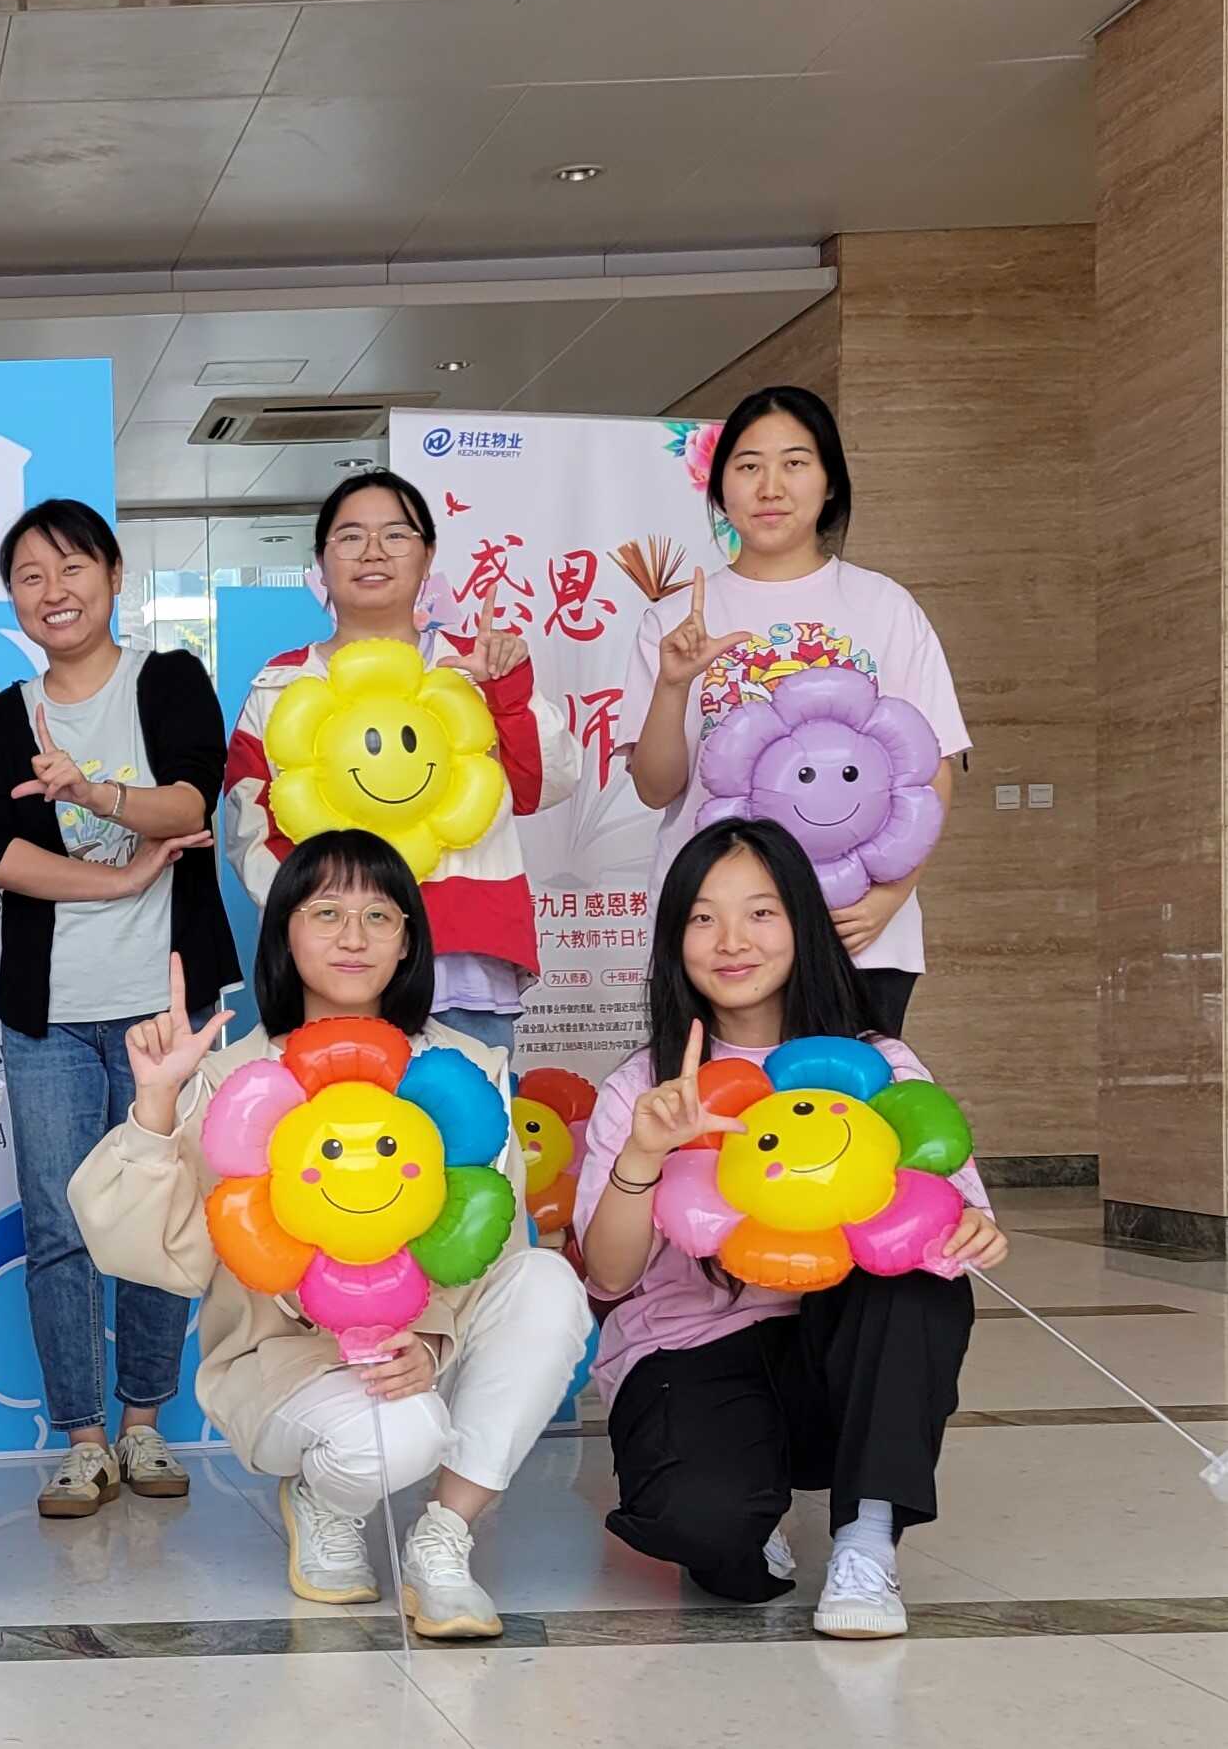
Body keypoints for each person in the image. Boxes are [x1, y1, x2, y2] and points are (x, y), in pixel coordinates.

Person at [71, 829, 593, 1640]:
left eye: (378, 915)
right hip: (288, 1363)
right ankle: (324, 1496)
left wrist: (431, 1338)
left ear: (407, 940)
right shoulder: (234, 1079)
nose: (353, 936)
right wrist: (157, 1104)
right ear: (283, 930)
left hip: (434, 1342)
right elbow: (147, 1250)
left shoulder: (463, 1073)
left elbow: (487, 1243)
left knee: (549, 1284)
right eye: (325, 912)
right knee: (401, 1433)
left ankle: (442, 1539)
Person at [573, 816, 1000, 1639]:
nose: (731, 940)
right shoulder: (645, 1084)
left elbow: (948, 1215)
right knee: (713, 1543)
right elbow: (610, 1276)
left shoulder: (876, 1065)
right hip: (691, 1346)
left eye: (760, 912)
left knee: (918, 1285)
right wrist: (644, 1153)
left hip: (834, 1348)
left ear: (801, 922)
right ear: (674, 940)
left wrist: (972, 1230)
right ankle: (750, 1506)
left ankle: (865, 1538)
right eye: (702, 917)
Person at [0, 497, 238, 1519]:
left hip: (164, 1008)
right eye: (29, 576)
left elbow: (190, 803)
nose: (54, 590)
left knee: (158, 1213)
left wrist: (91, 791)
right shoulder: (0, 719)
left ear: (114, 576)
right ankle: (82, 1439)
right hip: (49, 1013)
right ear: (13, 599)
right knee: (63, 1223)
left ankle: (144, 1422)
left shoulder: (168, 680)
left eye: (72, 566)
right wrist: (119, 879)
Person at [624, 386, 968, 1038]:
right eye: (748, 465)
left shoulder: (884, 607)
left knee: (845, 1101)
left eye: (794, 463)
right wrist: (672, 685)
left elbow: (932, 773)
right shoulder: (673, 620)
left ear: (829, 482)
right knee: (717, 1104)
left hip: (853, 933)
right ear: (719, 488)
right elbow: (656, 788)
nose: (770, 487)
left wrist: (890, 898)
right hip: (716, 943)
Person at [226, 469, 579, 1057]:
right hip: (333, 968)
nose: (372, 552)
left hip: (460, 954)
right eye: (349, 537)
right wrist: (320, 920)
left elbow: (546, 785)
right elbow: (249, 825)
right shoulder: (282, 684)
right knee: (333, 1116)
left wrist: (507, 691)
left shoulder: (473, 667)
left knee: (464, 1113)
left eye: (395, 535)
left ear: (428, 554)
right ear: (320, 562)